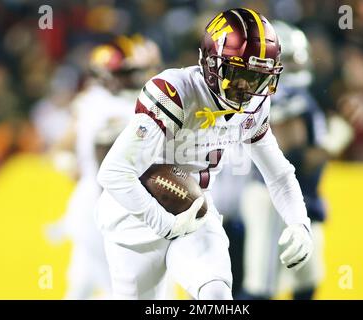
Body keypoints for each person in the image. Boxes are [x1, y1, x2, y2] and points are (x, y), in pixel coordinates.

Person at [96, 8, 313, 300]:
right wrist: (165, 224)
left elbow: (278, 173)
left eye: (257, 77)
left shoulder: (255, 105)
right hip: (135, 217)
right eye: (238, 73)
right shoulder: (174, 92)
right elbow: (114, 172)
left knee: (216, 296)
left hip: (194, 210)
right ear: (211, 62)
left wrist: (299, 222)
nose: (247, 89)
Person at [239, 21, 354, 300]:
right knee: (260, 286)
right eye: (290, 59)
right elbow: (292, 158)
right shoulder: (276, 99)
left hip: (299, 198)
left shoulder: (295, 96)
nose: (298, 65)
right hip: (273, 198)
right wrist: (335, 140)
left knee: (308, 277)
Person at [46, 35, 161, 299]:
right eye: (128, 72)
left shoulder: (91, 102)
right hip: (105, 206)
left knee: (81, 287)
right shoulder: (112, 106)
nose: (137, 76)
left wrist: (71, 164)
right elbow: (64, 149)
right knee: (121, 288)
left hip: (91, 204)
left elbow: (60, 149)